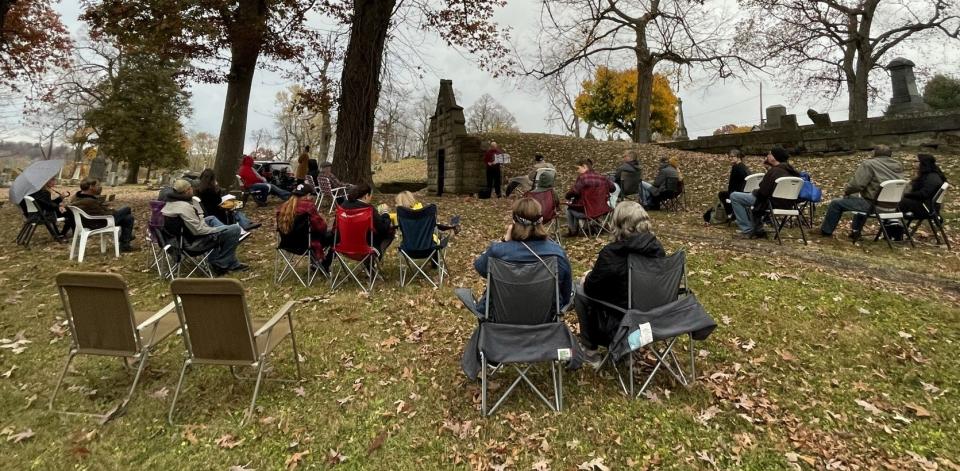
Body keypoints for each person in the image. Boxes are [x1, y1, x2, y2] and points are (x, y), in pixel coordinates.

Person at [575, 201, 665, 364]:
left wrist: (587, 277)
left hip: (621, 319)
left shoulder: (612, 253)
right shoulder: (656, 248)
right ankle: (626, 348)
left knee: (579, 291)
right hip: (655, 316)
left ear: (618, 224)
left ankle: (590, 351)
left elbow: (591, 289)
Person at [472, 197, 572, 315]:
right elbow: (566, 295)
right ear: (541, 220)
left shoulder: (498, 252)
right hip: (546, 321)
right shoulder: (557, 253)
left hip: (499, 320)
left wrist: (504, 240)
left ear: (514, 222)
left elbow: (480, 267)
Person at [161, 179, 247, 275]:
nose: (193, 190)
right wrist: (214, 229)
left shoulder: (170, 203)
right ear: (187, 191)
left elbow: (194, 222)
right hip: (193, 243)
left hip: (181, 238)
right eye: (191, 188)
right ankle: (221, 262)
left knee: (211, 219)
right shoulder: (184, 207)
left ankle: (224, 256)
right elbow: (199, 230)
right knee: (235, 228)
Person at [819, 145, 904, 240]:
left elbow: (857, 185)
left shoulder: (869, 164)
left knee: (836, 203)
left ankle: (825, 231)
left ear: (875, 153)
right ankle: (855, 231)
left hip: (874, 205)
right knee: (859, 199)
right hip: (893, 206)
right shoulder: (898, 165)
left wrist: (847, 192)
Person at [730, 145, 801, 238]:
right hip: (788, 204)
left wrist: (755, 192)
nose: (768, 156)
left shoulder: (775, 171)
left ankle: (747, 230)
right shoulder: (790, 171)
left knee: (735, 196)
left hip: (770, 202)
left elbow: (763, 192)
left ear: (775, 158)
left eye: (770, 154)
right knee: (749, 198)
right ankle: (757, 228)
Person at [70, 177, 138, 252]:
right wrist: (112, 211)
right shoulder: (89, 201)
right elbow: (104, 213)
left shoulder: (76, 197)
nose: (99, 187)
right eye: (97, 185)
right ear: (90, 187)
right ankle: (125, 239)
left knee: (128, 218)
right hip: (98, 223)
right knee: (127, 209)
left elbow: (96, 210)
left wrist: (103, 207)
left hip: (87, 222)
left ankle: (125, 244)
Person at [276, 182, 329, 265]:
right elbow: (321, 228)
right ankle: (324, 264)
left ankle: (316, 262)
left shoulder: (282, 207)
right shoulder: (308, 207)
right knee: (332, 237)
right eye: (312, 195)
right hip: (306, 245)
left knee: (310, 234)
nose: (312, 198)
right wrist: (323, 221)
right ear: (308, 195)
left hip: (287, 244)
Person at [338, 183, 395, 256]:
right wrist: (385, 213)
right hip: (364, 246)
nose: (371, 198)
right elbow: (383, 229)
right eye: (371, 196)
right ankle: (373, 257)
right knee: (390, 231)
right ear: (366, 196)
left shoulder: (343, 205)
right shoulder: (368, 209)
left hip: (344, 246)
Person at [196, 169, 260, 230]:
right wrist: (218, 191)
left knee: (235, 204)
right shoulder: (210, 191)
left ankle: (245, 222)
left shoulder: (199, 190)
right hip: (216, 213)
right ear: (212, 179)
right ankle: (245, 223)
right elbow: (218, 202)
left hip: (210, 211)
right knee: (236, 205)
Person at [564, 159, 614, 236]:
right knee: (574, 205)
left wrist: (567, 196)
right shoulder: (602, 178)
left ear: (584, 166)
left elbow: (574, 192)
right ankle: (593, 226)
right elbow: (613, 188)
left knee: (568, 207)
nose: (577, 171)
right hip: (602, 209)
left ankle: (573, 231)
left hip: (587, 211)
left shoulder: (582, 178)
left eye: (578, 168)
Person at [900, 154, 947, 221]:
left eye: (916, 161)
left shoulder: (932, 177)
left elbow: (923, 194)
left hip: (925, 208)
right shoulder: (928, 175)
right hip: (926, 205)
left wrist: (905, 195)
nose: (913, 163)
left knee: (895, 203)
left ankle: (893, 225)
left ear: (923, 163)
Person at [718, 149, 749, 217]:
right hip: (746, 192)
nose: (730, 158)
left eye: (732, 156)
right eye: (729, 156)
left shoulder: (736, 167)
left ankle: (730, 214)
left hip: (738, 193)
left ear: (738, 157)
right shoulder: (744, 167)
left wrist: (731, 192)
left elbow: (732, 184)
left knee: (721, 194)